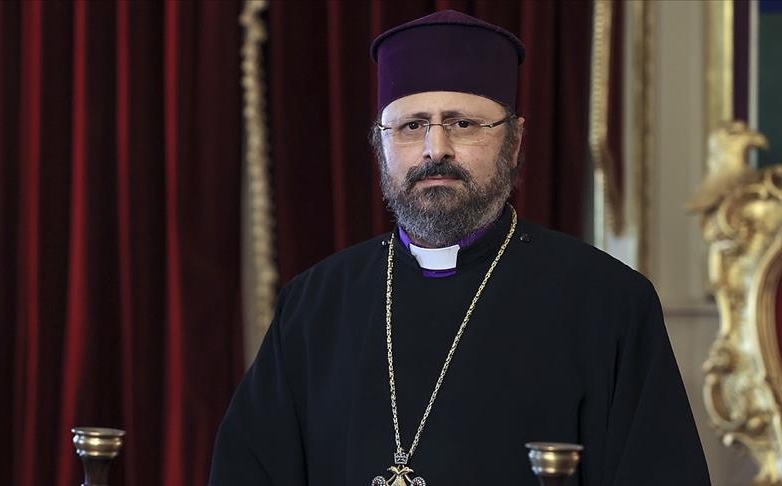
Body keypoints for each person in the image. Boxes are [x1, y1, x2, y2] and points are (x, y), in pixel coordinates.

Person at [210, 9, 710, 485]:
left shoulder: (609, 302)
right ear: (380, 145)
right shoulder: (312, 304)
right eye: (411, 126)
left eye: (463, 124)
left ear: (514, 142)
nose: (436, 149)